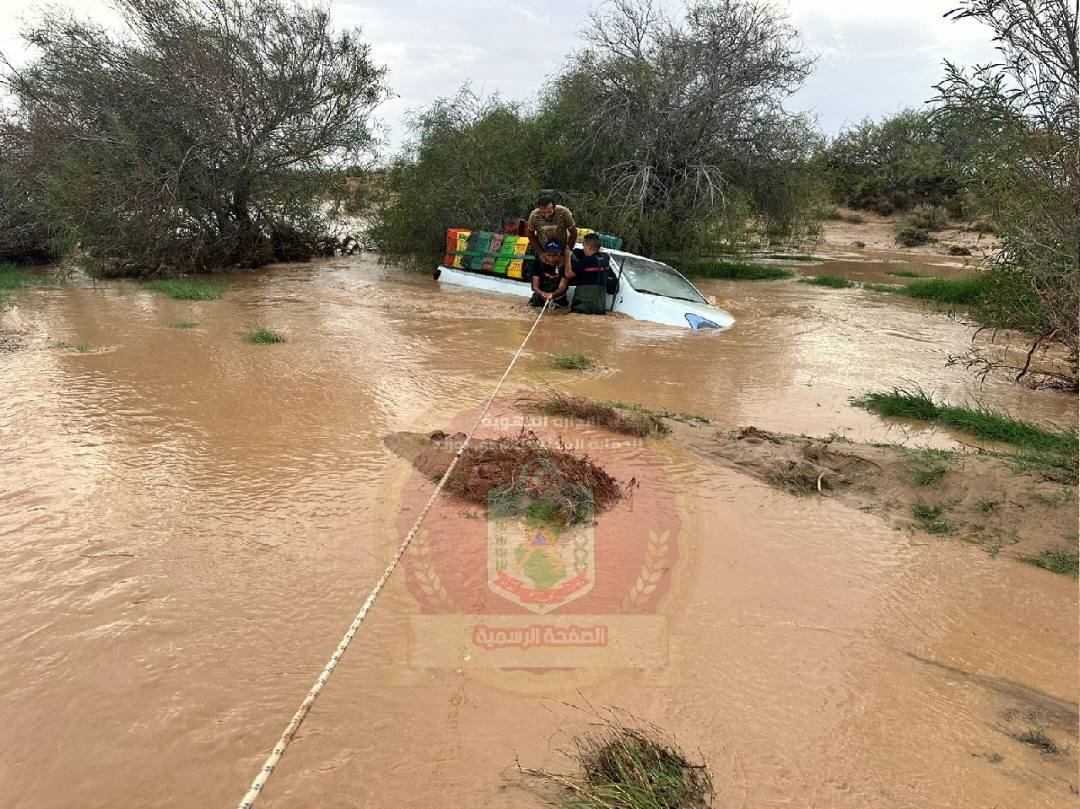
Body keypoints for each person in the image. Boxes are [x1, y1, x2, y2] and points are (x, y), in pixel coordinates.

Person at [569, 232, 609, 315]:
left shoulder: (586, 260)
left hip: (582, 307)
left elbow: (568, 274)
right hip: (599, 308)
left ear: (588, 247)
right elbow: (605, 255)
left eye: (584, 246)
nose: (583, 249)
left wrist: (567, 257)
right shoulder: (605, 259)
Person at [526, 191, 577, 257]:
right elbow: (530, 234)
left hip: (562, 249)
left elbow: (573, 232)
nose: (547, 215)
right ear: (539, 209)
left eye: (549, 212)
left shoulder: (564, 212)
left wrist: (568, 251)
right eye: (543, 213)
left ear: (554, 207)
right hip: (544, 250)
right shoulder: (534, 216)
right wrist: (540, 252)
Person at [528, 240, 574, 308]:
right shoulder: (538, 262)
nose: (551, 259)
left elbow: (562, 287)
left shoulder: (565, 264)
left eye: (555, 255)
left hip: (559, 299)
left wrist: (553, 295)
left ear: (560, 254)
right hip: (539, 297)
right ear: (544, 254)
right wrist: (542, 294)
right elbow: (535, 287)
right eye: (548, 255)